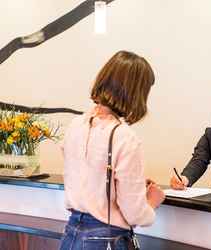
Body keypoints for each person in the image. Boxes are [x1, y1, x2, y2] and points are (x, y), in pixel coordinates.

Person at [59, 51, 165, 250]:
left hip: (71, 235)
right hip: (106, 240)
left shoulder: (75, 126)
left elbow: (82, 174)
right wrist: (151, 202)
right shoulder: (125, 137)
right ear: (136, 92)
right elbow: (134, 213)